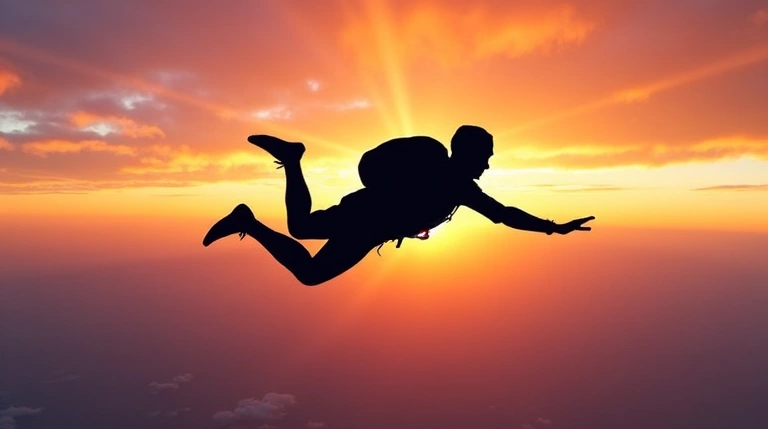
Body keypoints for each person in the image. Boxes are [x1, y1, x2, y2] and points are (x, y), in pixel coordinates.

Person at [202, 125, 594, 285]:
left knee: (301, 230)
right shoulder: (456, 183)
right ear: (469, 153)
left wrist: (550, 227)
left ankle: (284, 170)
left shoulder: (448, 176)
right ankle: (264, 200)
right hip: (366, 223)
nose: (488, 164)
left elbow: (503, 214)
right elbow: (505, 215)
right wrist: (552, 227)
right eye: (486, 155)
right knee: (308, 267)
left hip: (365, 214)